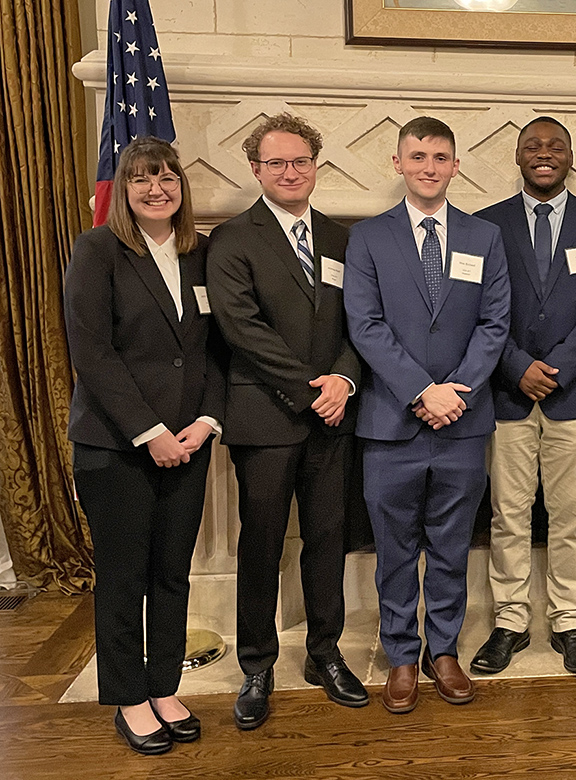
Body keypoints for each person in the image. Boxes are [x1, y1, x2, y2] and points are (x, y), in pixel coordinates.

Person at [207, 113, 368, 730]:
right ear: (255, 170)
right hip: (266, 417)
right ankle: (257, 665)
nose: (290, 172)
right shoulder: (232, 239)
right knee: (263, 545)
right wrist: (310, 388)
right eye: (275, 163)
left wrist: (345, 380)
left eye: (299, 161)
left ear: (315, 166)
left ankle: (325, 655)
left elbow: (363, 321)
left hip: (333, 417)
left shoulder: (342, 239)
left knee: (328, 540)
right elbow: (240, 329)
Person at [65, 137, 226, 754]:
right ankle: (129, 697)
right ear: (123, 190)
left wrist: (207, 421)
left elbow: (213, 350)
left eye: (166, 178)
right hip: (116, 447)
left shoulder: (202, 253)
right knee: (123, 576)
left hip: (189, 443)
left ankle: (163, 686)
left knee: (171, 574)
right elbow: (93, 353)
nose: (156, 189)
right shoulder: (97, 250)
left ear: (181, 187)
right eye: (141, 180)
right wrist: (149, 432)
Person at [344, 116, 510, 713]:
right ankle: (401, 655)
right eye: (418, 156)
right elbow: (364, 325)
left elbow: (495, 324)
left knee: (450, 543)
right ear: (398, 163)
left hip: (463, 422)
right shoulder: (366, 238)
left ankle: (444, 651)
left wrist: (456, 390)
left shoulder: (484, 236)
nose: (429, 167)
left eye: (440, 156)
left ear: (456, 165)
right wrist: (421, 391)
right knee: (394, 545)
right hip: (392, 421)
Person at [470, 117, 576, 675]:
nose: (544, 153)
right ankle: (510, 620)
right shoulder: (484, 225)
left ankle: (568, 621)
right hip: (506, 397)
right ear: (516, 156)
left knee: (571, 514)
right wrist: (516, 367)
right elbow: (479, 309)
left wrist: (554, 368)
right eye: (532, 145)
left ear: (570, 157)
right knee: (508, 514)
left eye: (555, 146)